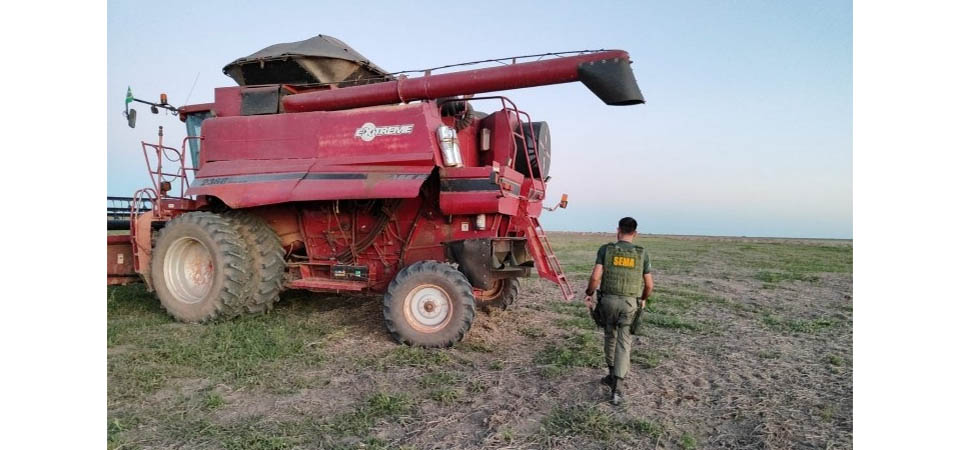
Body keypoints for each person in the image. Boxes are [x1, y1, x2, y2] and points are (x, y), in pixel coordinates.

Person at [583, 217, 653, 405]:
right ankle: (618, 387)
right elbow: (649, 285)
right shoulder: (642, 254)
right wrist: (643, 299)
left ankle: (611, 375)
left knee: (610, 336)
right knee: (624, 342)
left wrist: (589, 293)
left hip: (608, 302)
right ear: (635, 233)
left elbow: (596, 277)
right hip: (629, 304)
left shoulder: (606, 250)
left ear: (618, 231)